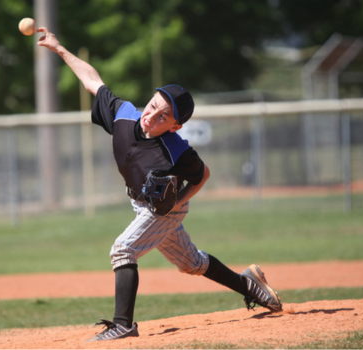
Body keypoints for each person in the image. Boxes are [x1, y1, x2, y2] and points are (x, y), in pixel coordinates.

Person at [36, 27, 283, 342]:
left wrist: (178, 203)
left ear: (175, 125)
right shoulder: (124, 114)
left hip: (166, 209)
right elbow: (92, 80)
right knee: (192, 263)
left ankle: (123, 324)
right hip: (142, 204)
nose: (152, 116)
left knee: (123, 250)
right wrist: (59, 48)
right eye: (153, 105)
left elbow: (202, 175)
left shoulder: (176, 148)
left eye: (164, 116)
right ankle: (251, 285)